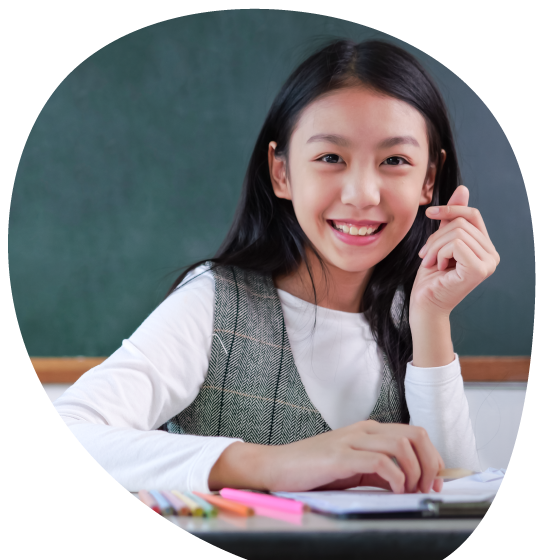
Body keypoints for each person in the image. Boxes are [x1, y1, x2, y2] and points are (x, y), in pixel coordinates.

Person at [54, 39, 499, 495]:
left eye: (395, 161)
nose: (362, 194)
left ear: (429, 179)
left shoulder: (410, 317)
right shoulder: (216, 302)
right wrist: (267, 464)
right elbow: (77, 427)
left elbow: (454, 493)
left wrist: (430, 318)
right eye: (330, 158)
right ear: (281, 172)